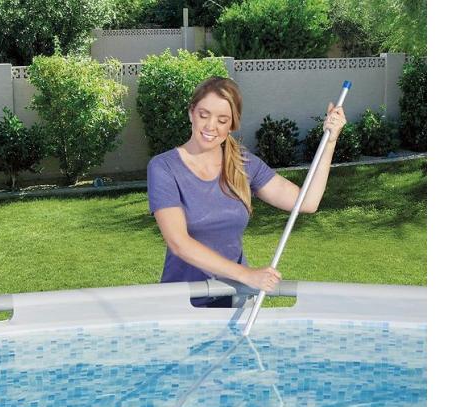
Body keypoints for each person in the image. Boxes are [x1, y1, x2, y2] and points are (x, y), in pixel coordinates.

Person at [146, 76, 347, 307]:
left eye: (222, 120)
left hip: (235, 299)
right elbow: (178, 242)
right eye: (204, 115)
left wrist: (330, 142)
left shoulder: (243, 164)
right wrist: (246, 274)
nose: (211, 126)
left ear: (232, 124)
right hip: (184, 304)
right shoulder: (164, 167)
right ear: (191, 113)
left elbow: (307, 202)